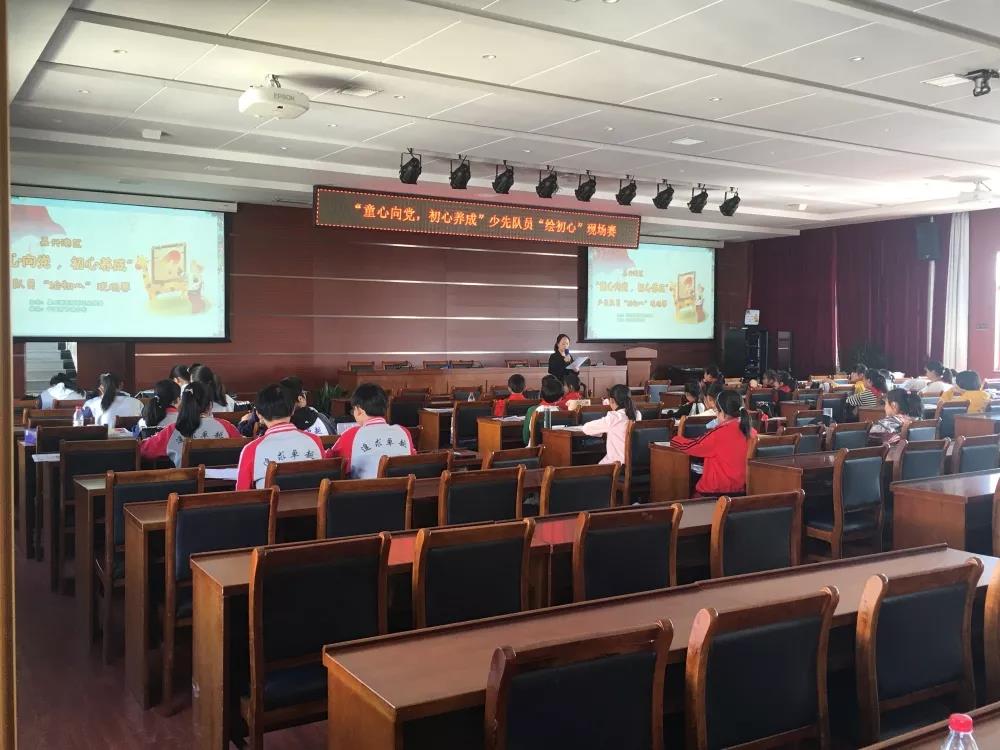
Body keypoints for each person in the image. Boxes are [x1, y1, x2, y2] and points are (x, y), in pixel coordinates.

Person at [237, 384, 325, 490]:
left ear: (259, 414)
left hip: (271, 501)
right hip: (313, 500)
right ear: (293, 410)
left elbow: (241, 493)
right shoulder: (315, 441)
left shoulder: (252, 449)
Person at [670, 389, 756, 496]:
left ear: (722, 412)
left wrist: (674, 439)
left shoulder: (719, 433)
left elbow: (690, 446)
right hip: (741, 491)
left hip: (715, 492)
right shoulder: (751, 432)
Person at [140, 381, 241, 467]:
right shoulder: (227, 426)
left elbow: (144, 450)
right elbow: (242, 448)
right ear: (210, 405)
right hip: (224, 483)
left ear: (182, 405)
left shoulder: (173, 430)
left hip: (187, 483)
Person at [325, 383, 414, 479]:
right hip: (403, 487)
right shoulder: (404, 432)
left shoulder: (352, 435)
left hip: (364, 488)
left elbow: (329, 461)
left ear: (359, 410)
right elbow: (413, 459)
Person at [580, 383, 640, 465]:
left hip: (616, 464)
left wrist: (601, 432)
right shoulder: (637, 414)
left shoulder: (614, 417)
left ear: (611, 400)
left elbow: (586, 428)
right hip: (635, 461)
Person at [523, 375, 564, 446]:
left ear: (541, 394)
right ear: (560, 398)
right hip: (557, 448)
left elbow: (526, 439)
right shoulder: (563, 413)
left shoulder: (532, 410)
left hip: (535, 449)